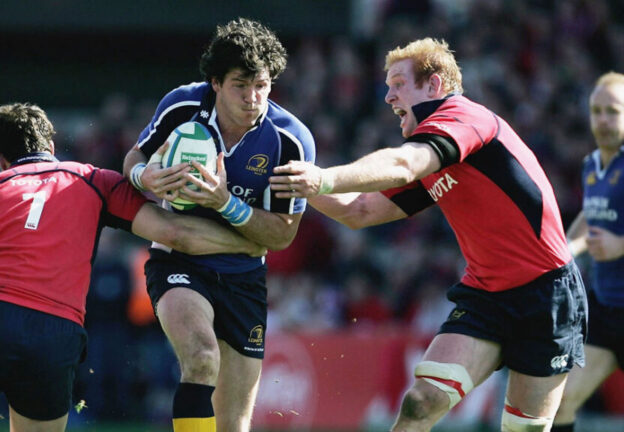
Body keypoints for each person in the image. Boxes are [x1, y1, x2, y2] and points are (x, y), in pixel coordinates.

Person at [270, 38, 587, 432]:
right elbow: (361, 210)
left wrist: (324, 177)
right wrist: (303, 183)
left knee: (526, 430)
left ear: (435, 86)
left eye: (399, 84)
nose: (387, 96)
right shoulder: (436, 154)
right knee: (421, 402)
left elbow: (403, 164)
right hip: (486, 295)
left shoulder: (463, 118)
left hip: (546, 294)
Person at [0, 102, 265, 432]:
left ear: (0, 158)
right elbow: (175, 232)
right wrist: (252, 242)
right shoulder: (95, 181)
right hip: (55, 333)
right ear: (51, 146)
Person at [122, 18, 315, 432]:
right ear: (215, 82)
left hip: (245, 277)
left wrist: (224, 202)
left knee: (234, 424)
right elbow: (133, 160)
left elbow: (282, 234)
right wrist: (145, 178)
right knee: (201, 358)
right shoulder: (182, 106)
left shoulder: (291, 140)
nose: (252, 98)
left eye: (261, 85)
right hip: (180, 262)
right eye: (240, 85)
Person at [551, 72, 624, 432]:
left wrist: (620, 244)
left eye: (613, 111)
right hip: (609, 310)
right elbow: (589, 216)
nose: (603, 120)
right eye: (597, 111)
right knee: (560, 401)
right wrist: (564, 251)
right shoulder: (592, 165)